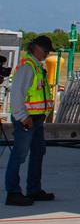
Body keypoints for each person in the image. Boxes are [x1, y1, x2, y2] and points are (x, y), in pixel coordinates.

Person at [5, 35, 55, 207]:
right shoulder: (27, 67)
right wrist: (22, 116)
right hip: (27, 119)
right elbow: (17, 93)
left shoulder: (36, 67)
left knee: (38, 153)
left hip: (37, 118)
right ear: (36, 48)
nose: (47, 54)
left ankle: (34, 189)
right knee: (19, 155)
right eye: (46, 51)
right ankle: (13, 192)